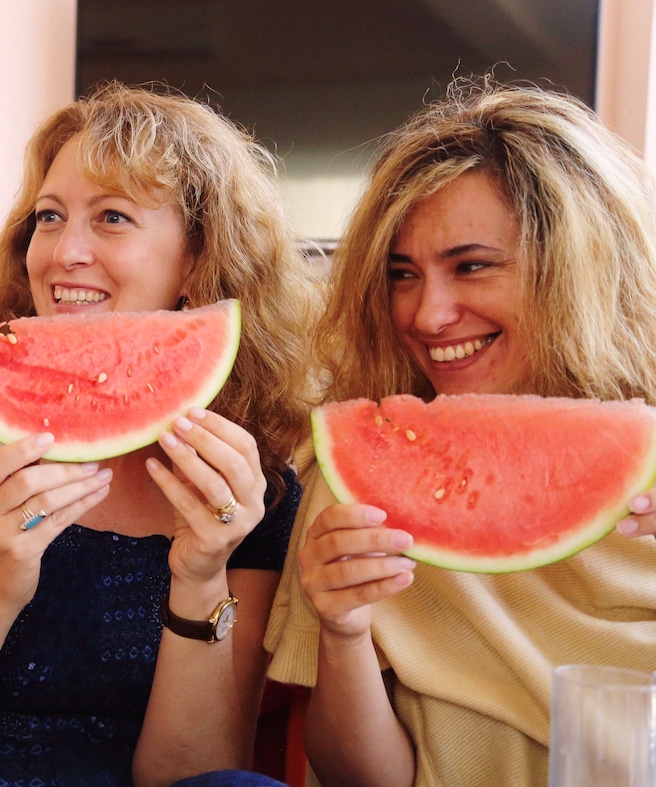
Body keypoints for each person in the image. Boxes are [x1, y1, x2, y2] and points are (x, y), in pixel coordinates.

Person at [0, 82, 316, 787]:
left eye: (112, 218)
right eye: (48, 218)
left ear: (198, 258)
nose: (63, 251)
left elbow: (198, 775)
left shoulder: (244, 481)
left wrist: (200, 576)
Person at [263, 80, 656, 786]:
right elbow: (360, 779)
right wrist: (344, 631)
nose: (426, 314)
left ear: (577, 265)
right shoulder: (353, 488)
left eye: (471, 266)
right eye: (401, 275)